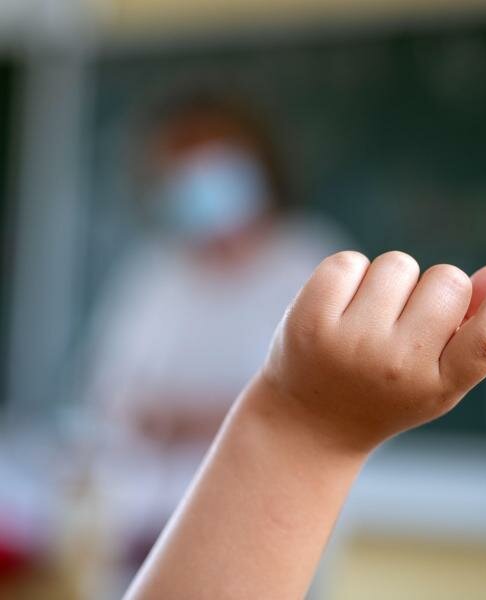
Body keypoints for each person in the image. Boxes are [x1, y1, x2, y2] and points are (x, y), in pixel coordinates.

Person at [123, 244, 486, 599]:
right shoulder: (157, 274)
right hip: (135, 520)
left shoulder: (301, 254)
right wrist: (308, 423)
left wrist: (307, 418)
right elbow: (119, 394)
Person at [84, 92, 348, 559]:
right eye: (181, 167)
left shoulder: (311, 262)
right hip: (144, 533)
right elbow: (109, 395)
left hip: (269, 535)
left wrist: (193, 418)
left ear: (256, 167)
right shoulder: (153, 273)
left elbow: (331, 400)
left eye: (214, 162)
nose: (198, 180)